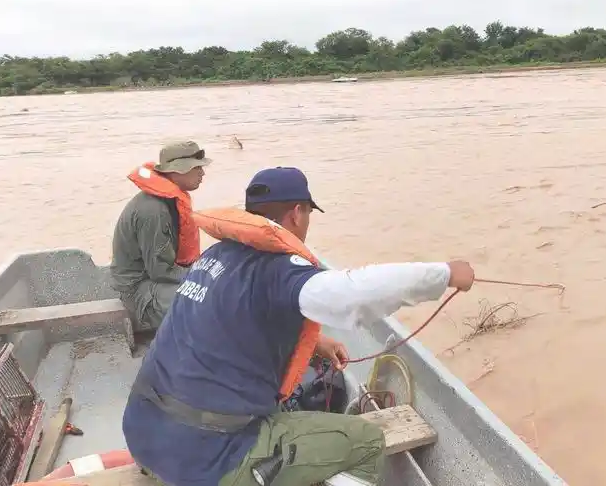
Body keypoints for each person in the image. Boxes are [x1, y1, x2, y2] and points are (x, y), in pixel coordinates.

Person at [122, 166, 476, 486]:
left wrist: (317, 342)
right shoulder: (281, 270)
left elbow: (230, 321)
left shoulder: (216, 257)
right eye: (308, 213)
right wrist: (444, 274)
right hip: (208, 462)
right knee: (367, 442)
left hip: (144, 435)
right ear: (297, 213)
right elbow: (352, 292)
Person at [109, 140, 211, 332]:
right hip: (139, 291)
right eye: (197, 168)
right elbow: (161, 271)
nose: (202, 173)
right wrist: (203, 277)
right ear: (178, 170)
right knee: (208, 303)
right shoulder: (155, 211)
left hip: (156, 279)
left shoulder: (169, 201)